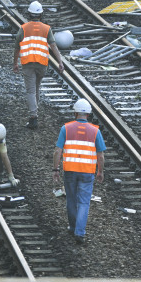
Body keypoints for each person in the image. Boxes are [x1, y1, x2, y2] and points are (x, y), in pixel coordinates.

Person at [52, 99, 106, 244]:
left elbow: (58, 151)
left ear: (75, 113)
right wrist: (100, 171)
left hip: (69, 171)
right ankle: (79, 232)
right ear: (88, 114)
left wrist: (56, 169)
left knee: (71, 199)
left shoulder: (66, 128)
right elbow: (100, 155)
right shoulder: (95, 131)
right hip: (87, 172)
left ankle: (73, 226)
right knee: (83, 202)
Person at [13, 1, 65, 129]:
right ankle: (34, 113)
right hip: (42, 64)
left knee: (30, 90)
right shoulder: (47, 29)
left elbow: (16, 47)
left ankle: (33, 117)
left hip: (28, 64)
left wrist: (15, 63)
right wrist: (60, 62)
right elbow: (53, 46)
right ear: (41, 14)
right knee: (36, 88)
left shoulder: (23, 28)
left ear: (29, 14)